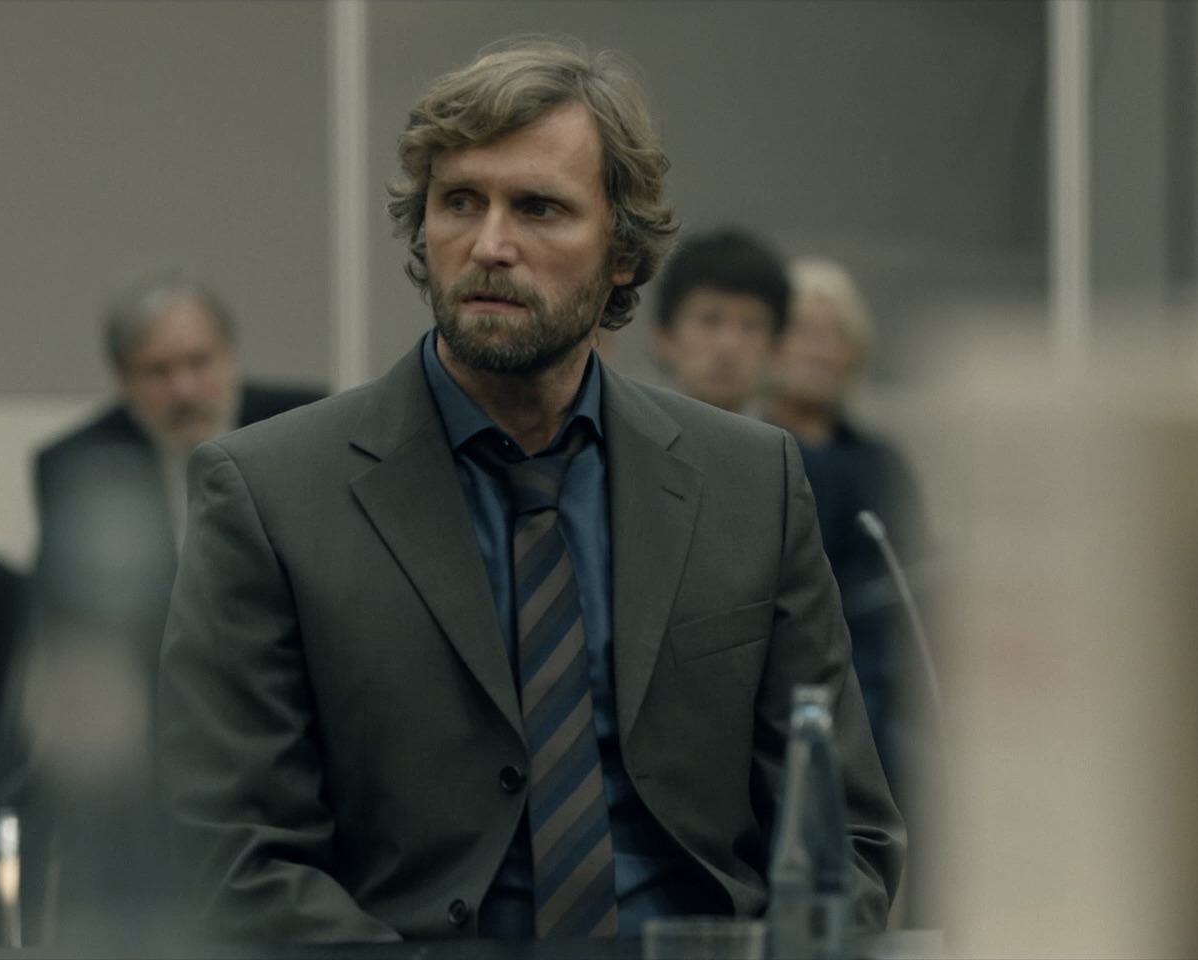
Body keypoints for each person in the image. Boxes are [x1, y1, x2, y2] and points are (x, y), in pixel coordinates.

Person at [156, 38, 904, 945]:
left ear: (622, 252)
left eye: (539, 208)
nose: (490, 246)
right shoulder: (270, 495)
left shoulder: (750, 482)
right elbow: (230, 856)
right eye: (459, 202)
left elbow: (846, 833)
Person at [12, 271, 321, 947]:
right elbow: (81, 630)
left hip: (284, 697)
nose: (184, 389)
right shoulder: (77, 462)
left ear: (230, 356)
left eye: (199, 362)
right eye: (157, 372)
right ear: (123, 382)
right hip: (151, 713)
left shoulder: (304, 428)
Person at [766, 257, 930, 803]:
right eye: (803, 332)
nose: (819, 350)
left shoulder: (882, 461)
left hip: (883, 695)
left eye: (835, 334)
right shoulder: (746, 455)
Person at [651, 228, 790, 415]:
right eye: (710, 321)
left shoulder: (790, 436)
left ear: (776, 349)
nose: (728, 344)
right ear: (665, 338)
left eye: (750, 326)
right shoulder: (620, 432)